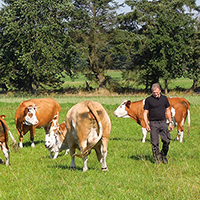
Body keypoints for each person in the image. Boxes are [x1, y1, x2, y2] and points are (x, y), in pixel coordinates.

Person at [143, 83, 173, 164]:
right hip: (153, 123)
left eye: (157, 92)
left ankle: (163, 155)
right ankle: (156, 159)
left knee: (166, 141)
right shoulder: (148, 100)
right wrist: (146, 124)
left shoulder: (164, 99)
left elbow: (168, 110)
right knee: (154, 143)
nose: (155, 94)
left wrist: (170, 122)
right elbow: (145, 113)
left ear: (160, 90)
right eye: (154, 92)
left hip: (163, 122)